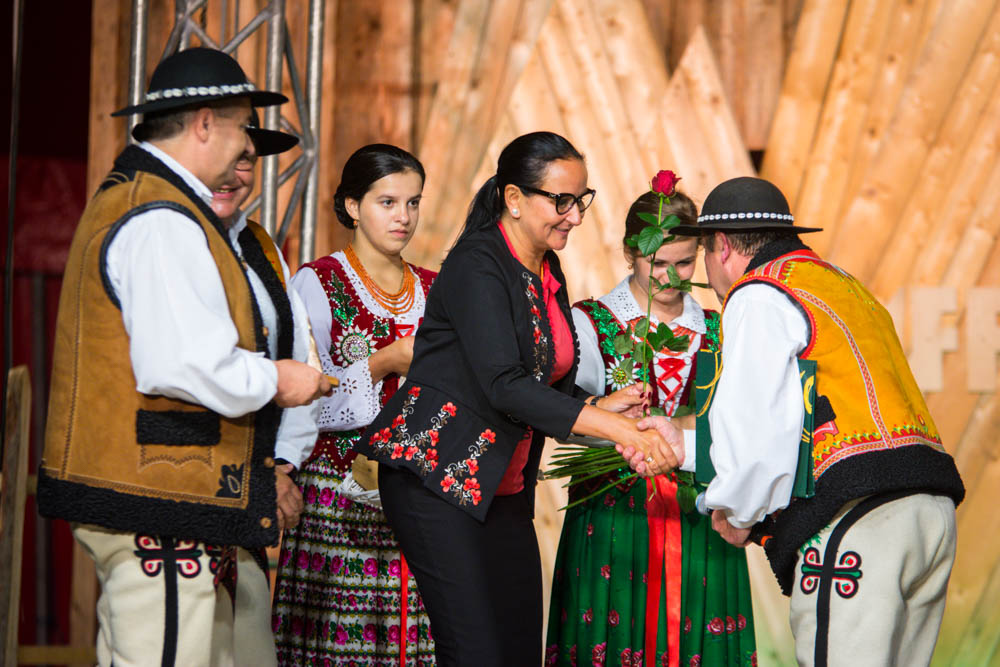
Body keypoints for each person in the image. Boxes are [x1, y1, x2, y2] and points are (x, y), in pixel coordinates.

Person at [37, 47, 331, 667]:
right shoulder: (161, 217)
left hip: (185, 501)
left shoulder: (161, 207)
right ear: (203, 124)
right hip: (158, 496)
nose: (245, 146)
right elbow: (182, 363)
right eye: (241, 127)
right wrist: (277, 379)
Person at [354, 131, 677, 666]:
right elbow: (503, 384)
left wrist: (600, 405)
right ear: (514, 198)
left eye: (581, 199)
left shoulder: (547, 267)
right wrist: (614, 429)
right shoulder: (477, 263)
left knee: (520, 648)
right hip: (436, 479)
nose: (575, 216)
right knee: (476, 653)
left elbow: (540, 376)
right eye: (562, 200)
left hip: (499, 486)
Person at [626, 177, 965, 667]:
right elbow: (799, 420)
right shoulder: (841, 283)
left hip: (861, 521)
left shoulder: (757, 293)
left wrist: (735, 512)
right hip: (931, 513)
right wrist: (684, 446)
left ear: (721, 246)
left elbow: (756, 431)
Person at [546, 189, 756, 667]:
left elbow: (740, 423)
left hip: (699, 510)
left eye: (684, 263)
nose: (670, 276)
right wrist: (610, 419)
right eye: (657, 262)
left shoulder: (719, 328)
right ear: (630, 252)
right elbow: (562, 421)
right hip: (613, 516)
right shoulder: (592, 321)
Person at [271, 144, 438, 666]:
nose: (403, 216)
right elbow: (299, 397)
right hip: (337, 500)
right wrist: (381, 363)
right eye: (387, 202)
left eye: (413, 203)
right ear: (351, 206)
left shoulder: (434, 289)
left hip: (417, 497)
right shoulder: (317, 282)